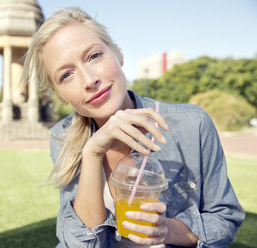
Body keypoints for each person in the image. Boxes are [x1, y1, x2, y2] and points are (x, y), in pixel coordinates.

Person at [21, 7, 244, 248]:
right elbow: (78, 243)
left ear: (118, 53)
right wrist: (92, 152)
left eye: (94, 56)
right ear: (60, 96)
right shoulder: (63, 136)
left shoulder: (193, 125)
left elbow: (225, 218)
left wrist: (168, 230)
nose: (89, 80)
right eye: (66, 75)